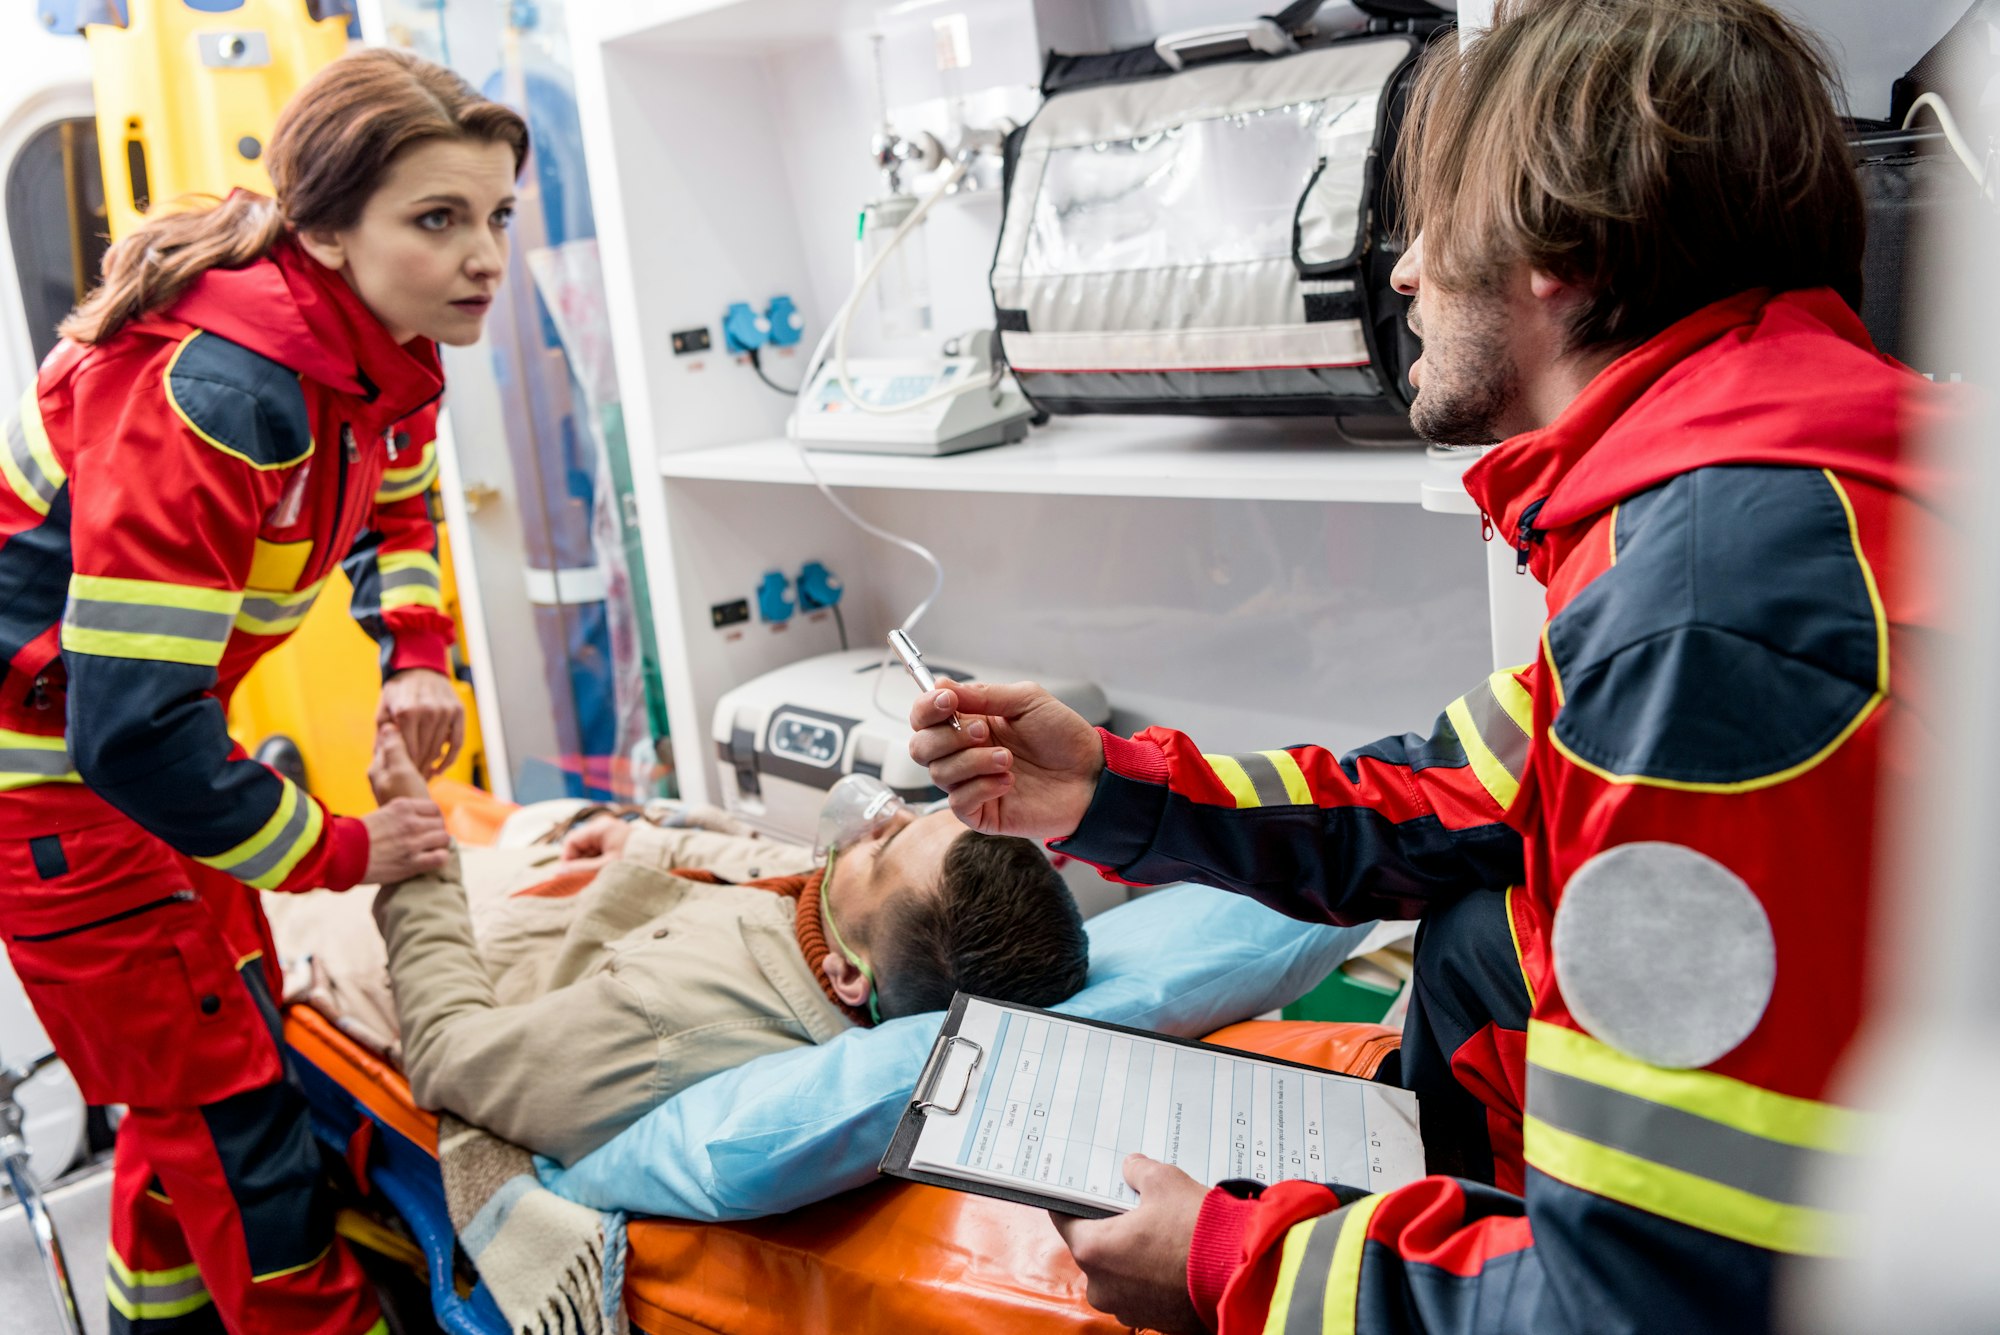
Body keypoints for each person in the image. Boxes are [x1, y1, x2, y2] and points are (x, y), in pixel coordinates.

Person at [908, 2, 1950, 1332]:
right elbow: (1449, 793)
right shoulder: (1794, 480)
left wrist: (1240, 1260)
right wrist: (1102, 786)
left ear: (1555, 254)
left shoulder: (1704, 619)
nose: (1400, 276)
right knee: (1474, 925)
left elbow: (1645, 1303)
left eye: (1430, 223)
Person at [0, 50, 527, 1335]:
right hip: (56, 794)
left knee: (192, 1101)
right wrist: (346, 851)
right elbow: (126, 731)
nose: (487, 261)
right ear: (329, 232)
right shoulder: (219, 391)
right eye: (438, 220)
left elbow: (395, 489)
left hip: (139, 764)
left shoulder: (379, 350)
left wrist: (413, 649)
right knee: (250, 1150)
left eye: (498, 215)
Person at [364, 725, 1092, 1165]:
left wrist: (419, 849)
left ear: (845, 977)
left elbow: (448, 1050)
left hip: (468, 941)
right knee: (542, 816)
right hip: (594, 878)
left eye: (883, 842)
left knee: (305, 887)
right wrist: (640, 839)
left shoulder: (660, 1024)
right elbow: (782, 878)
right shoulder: (843, 929)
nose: (877, 816)